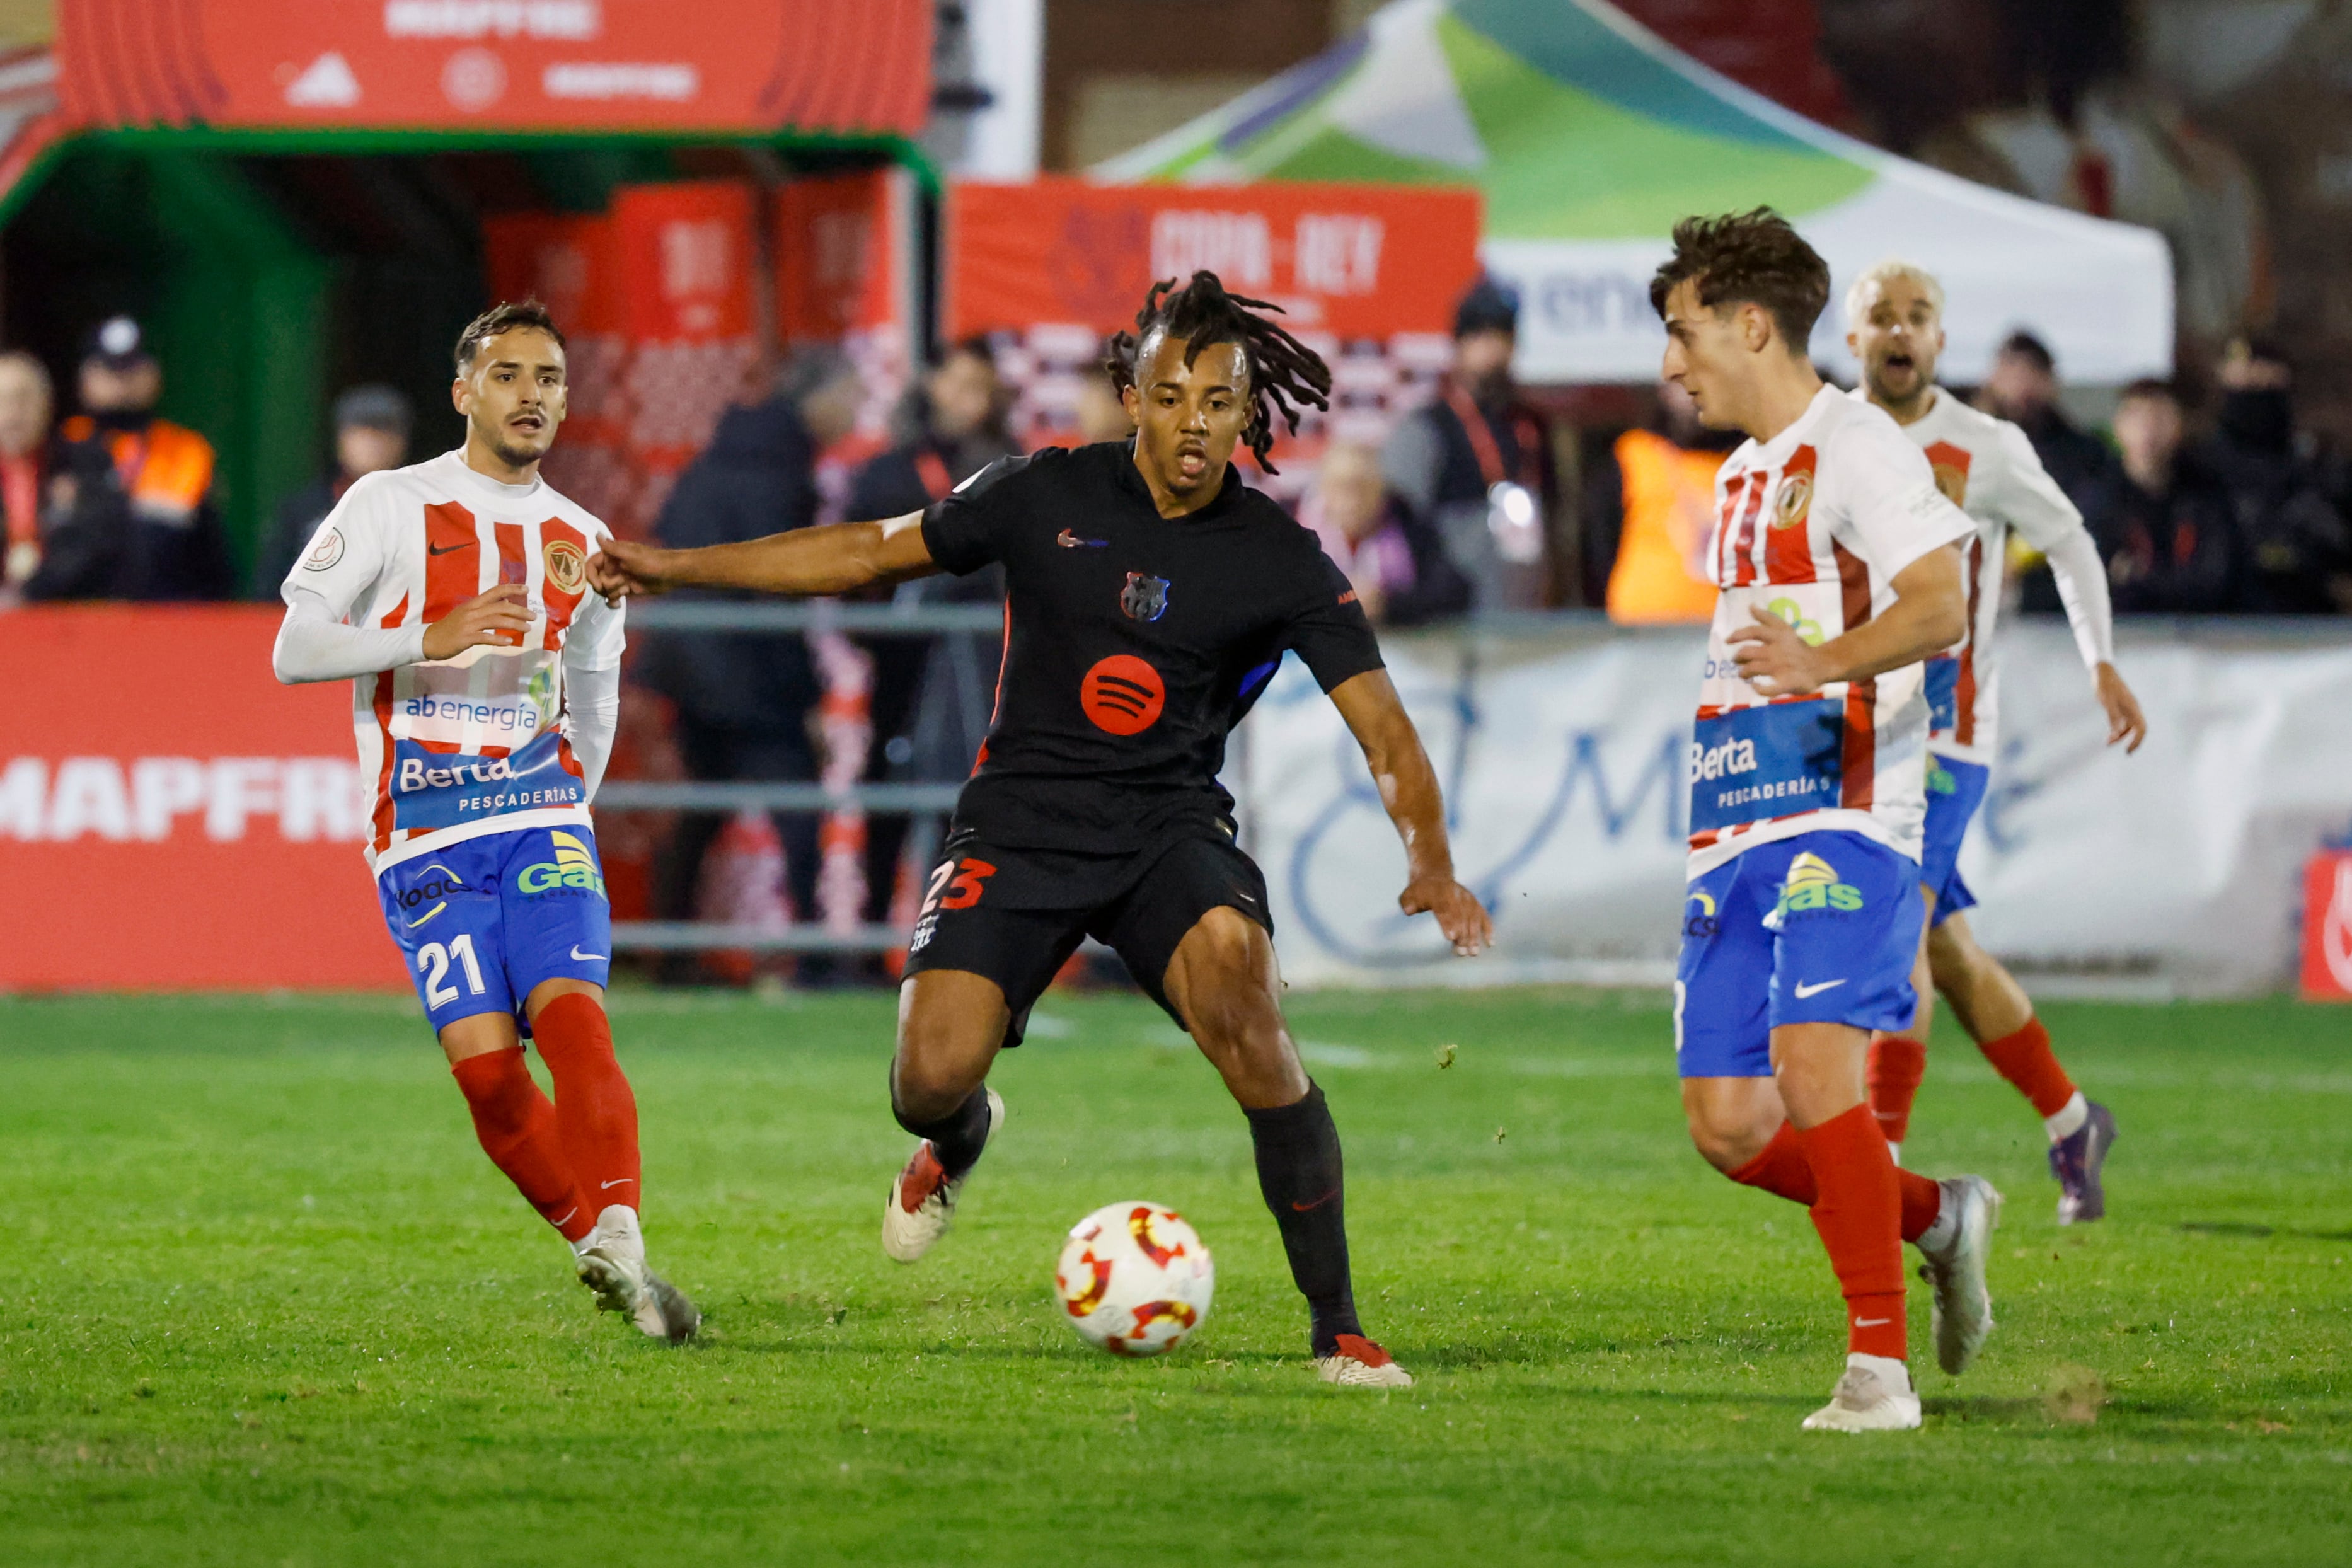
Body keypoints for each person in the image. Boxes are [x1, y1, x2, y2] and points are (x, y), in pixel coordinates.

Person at [593, 270, 1495, 1390]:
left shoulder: (1280, 558)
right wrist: (671, 567)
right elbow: (865, 550)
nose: (1195, 424)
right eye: (1173, 396)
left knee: (1244, 1002)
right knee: (924, 1077)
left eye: (1220, 402)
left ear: (1248, 411)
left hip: (1166, 826)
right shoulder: (1039, 491)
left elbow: (1386, 730)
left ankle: (1342, 1329)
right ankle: (957, 1137)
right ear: (1132, 394)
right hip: (1018, 820)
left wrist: (1433, 863)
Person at [269, 301, 697, 1344]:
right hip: (419, 837)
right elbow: (293, 647)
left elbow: (592, 695)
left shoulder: (585, 540)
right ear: (464, 392)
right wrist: (428, 631)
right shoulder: (388, 503)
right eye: (508, 375)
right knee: (494, 1079)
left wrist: (568, 805)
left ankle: (626, 1238)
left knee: (574, 1019)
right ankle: (602, 1253)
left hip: (540, 818)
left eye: (549, 377)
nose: (532, 395)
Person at [1654, 210, 1999, 1434]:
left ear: (1753, 325)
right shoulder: (1746, 473)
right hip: (1737, 815)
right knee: (1728, 1122)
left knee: (1811, 1075)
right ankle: (1938, 1215)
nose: (1672, 363)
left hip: (1849, 805)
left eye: (1684, 333)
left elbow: (1940, 602)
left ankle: (1879, 1373)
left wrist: (1827, 665)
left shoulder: (1858, 445)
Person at [1844, 259, 2147, 1224]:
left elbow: (2069, 540)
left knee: (1900, 939)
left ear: (1941, 339)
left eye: (1919, 316)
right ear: (1853, 338)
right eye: (1881, 316)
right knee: (1950, 954)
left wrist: (2099, 658)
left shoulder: (1983, 445)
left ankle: (1878, 1169)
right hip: (1854, 728)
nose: (1900, 331)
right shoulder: (1823, 440)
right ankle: (2072, 1121)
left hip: (1948, 736)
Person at [639, 348, 864, 973]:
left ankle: (672, 956)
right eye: (849, 397)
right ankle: (819, 961)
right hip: (746, 672)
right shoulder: (777, 468)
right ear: (817, 400)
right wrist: (808, 694)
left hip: (689, 663)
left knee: (703, 809)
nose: (853, 414)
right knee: (796, 811)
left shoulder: (720, 457)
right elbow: (777, 587)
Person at [840, 338, 1023, 962]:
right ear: (934, 385)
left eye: (983, 385)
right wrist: (877, 625)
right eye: (962, 383)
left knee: (979, 790)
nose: (972, 399)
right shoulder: (891, 470)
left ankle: (972, 939)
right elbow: (854, 561)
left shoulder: (1010, 468)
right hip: (906, 663)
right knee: (890, 781)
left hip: (987, 663)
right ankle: (867, 939)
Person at [1381, 276, 1558, 608]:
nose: (1493, 349)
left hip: (1527, 610)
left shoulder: (1530, 426)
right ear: (1458, 344)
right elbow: (1399, 530)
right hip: (1453, 617)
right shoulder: (1427, 428)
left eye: (1504, 336)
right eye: (1480, 336)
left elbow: (1556, 517)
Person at [52, 316, 233, 600]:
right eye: (109, 369)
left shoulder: (187, 450)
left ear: (155, 374)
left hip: (166, 619)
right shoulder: (63, 447)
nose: (121, 381)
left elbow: (211, 556)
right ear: (85, 377)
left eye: (132, 368)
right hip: (76, 619)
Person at [2203, 336, 2352, 614]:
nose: (2256, 396)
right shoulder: (2201, 470)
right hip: (2220, 628)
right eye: (2247, 385)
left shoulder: (2318, 468)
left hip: (2311, 625)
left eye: (2266, 385)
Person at [1584, 378, 1736, 621]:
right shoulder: (1634, 454)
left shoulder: (1750, 463)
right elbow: (1599, 547)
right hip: (1642, 630)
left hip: (1723, 635)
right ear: (1665, 391)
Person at [2089, 379, 2244, 613]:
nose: (2148, 430)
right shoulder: (2097, 500)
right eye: (2137, 418)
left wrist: (2140, 579)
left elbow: (2215, 581)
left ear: (2178, 426)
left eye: (2159, 418)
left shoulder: (2207, 495)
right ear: (2119, 427)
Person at [251, 385, 414, 597]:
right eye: (361, 433)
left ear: (402, 443)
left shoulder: (423, 506)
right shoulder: (303, 511)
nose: (372, 444)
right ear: (341, 440)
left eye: (383, 433)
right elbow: (267, 590)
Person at [1298, 441, 1470, 626]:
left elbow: (1454, 592)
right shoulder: (1296, 532)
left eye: (1362, 489)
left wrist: (1386, 603)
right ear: (1324, 490)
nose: (1352, 502)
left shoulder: (1408, 525)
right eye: (1342, 488)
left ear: (1380, 491)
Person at [1974, 330, 2114, 509]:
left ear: (2050, 382)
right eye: (2012, 375)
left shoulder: (2085, 455)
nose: (2021, 387)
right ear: (1993, 379)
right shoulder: (1965, 444)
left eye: (2030, 374)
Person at [0, 351, 52, 592]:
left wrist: (35, 588)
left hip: (60, 608)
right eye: (3, 401)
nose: (13, 414)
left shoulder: (80, 463)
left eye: (24, 399)